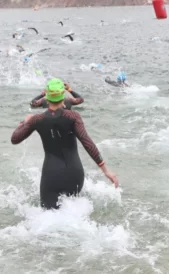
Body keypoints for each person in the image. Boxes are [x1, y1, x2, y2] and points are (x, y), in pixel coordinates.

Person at [11, 78, 118, 209]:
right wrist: (106, 171)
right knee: (75, 213)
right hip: (75, 173)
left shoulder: (36, 120)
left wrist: (24, 123)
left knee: (48, 216)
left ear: (47, 98)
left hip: (51, 175)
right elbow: (87, 143)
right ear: (63, 97)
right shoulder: (74, 116)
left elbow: (15, 139)